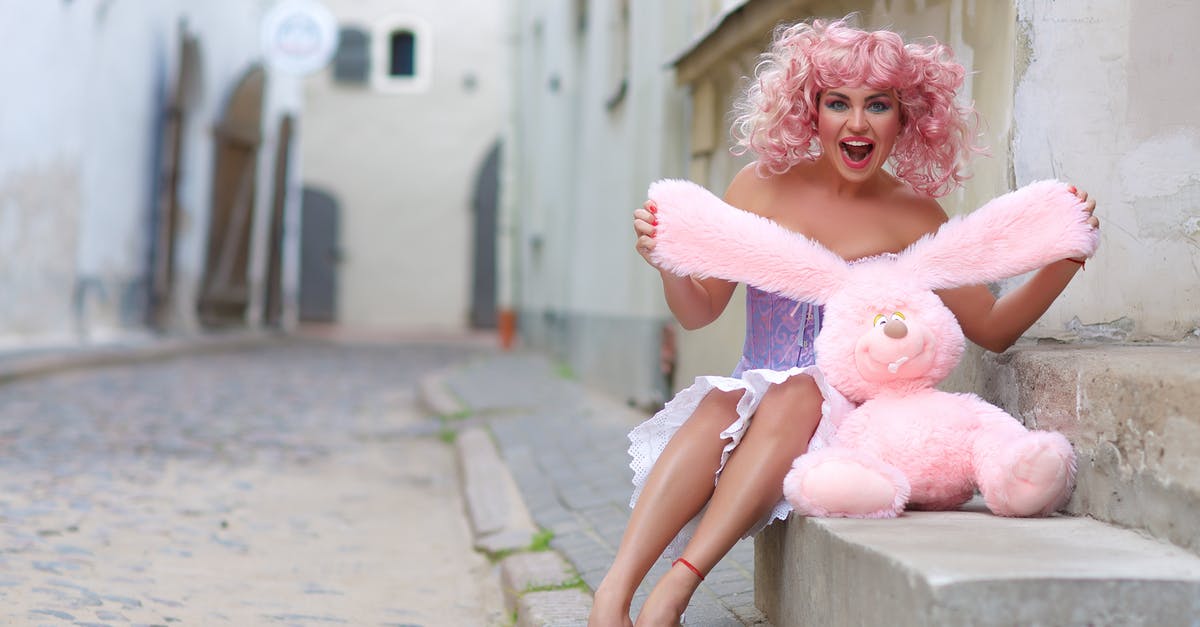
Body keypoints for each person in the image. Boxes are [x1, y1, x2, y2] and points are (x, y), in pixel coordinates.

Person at [588, 15, 1100, 627]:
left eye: (877, 105)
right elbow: (699, 312)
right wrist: (668, 262)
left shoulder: (915, 217)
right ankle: (612, 597)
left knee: (799, 392)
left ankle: (675, 591)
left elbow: (989, 327)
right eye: (839, 103)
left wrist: (1065, 261)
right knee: (723, 402)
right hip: (754, 399)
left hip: (852, 421)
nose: (857, 123)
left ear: (906, 119)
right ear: (812, 112)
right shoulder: (760, 187)